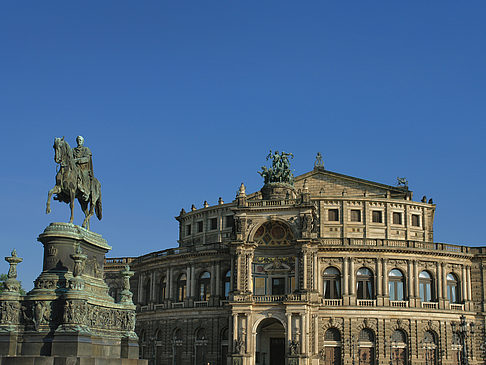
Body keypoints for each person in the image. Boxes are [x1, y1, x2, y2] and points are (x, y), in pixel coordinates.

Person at [73, 135, 93, 201]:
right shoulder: (73, 150)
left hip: (83, 168)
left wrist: (77, 160)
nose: (79, 141)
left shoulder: (86, 149)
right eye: (78, 140)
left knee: (84, 175)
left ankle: (86, 192)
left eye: (80, 140)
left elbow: (87, 159)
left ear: (83, 141)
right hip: (75, 168)